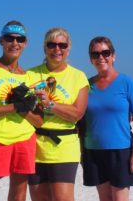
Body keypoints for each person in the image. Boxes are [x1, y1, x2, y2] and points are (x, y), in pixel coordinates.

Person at [0, 20, 43, 201]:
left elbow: (39, 120)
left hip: (24, 138)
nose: (15, 43)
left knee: (18, 196)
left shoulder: (28, 76)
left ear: (25, 43)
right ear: (1, 41)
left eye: (20, 39)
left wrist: (26, 109)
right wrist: (15, 106)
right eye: (9, 38)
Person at [27, 27, 89, 201]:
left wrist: (50, 105)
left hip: (65, 147)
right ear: (44, 48)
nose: (57, 49)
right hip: (35, 147)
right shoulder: (30, 74)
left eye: (62, 45)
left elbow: (77, 113)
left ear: (68, 49)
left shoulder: (78, 76)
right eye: (51, 45)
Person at [79, 36, 133, 201]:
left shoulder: (126, 82)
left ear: (113, 56)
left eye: (105, 52)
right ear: (91, 59)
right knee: (104, 198)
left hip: (121, 151)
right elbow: (79, 118)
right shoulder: (86, 86)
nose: (101, 57)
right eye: (95, 54)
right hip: (93, 151)